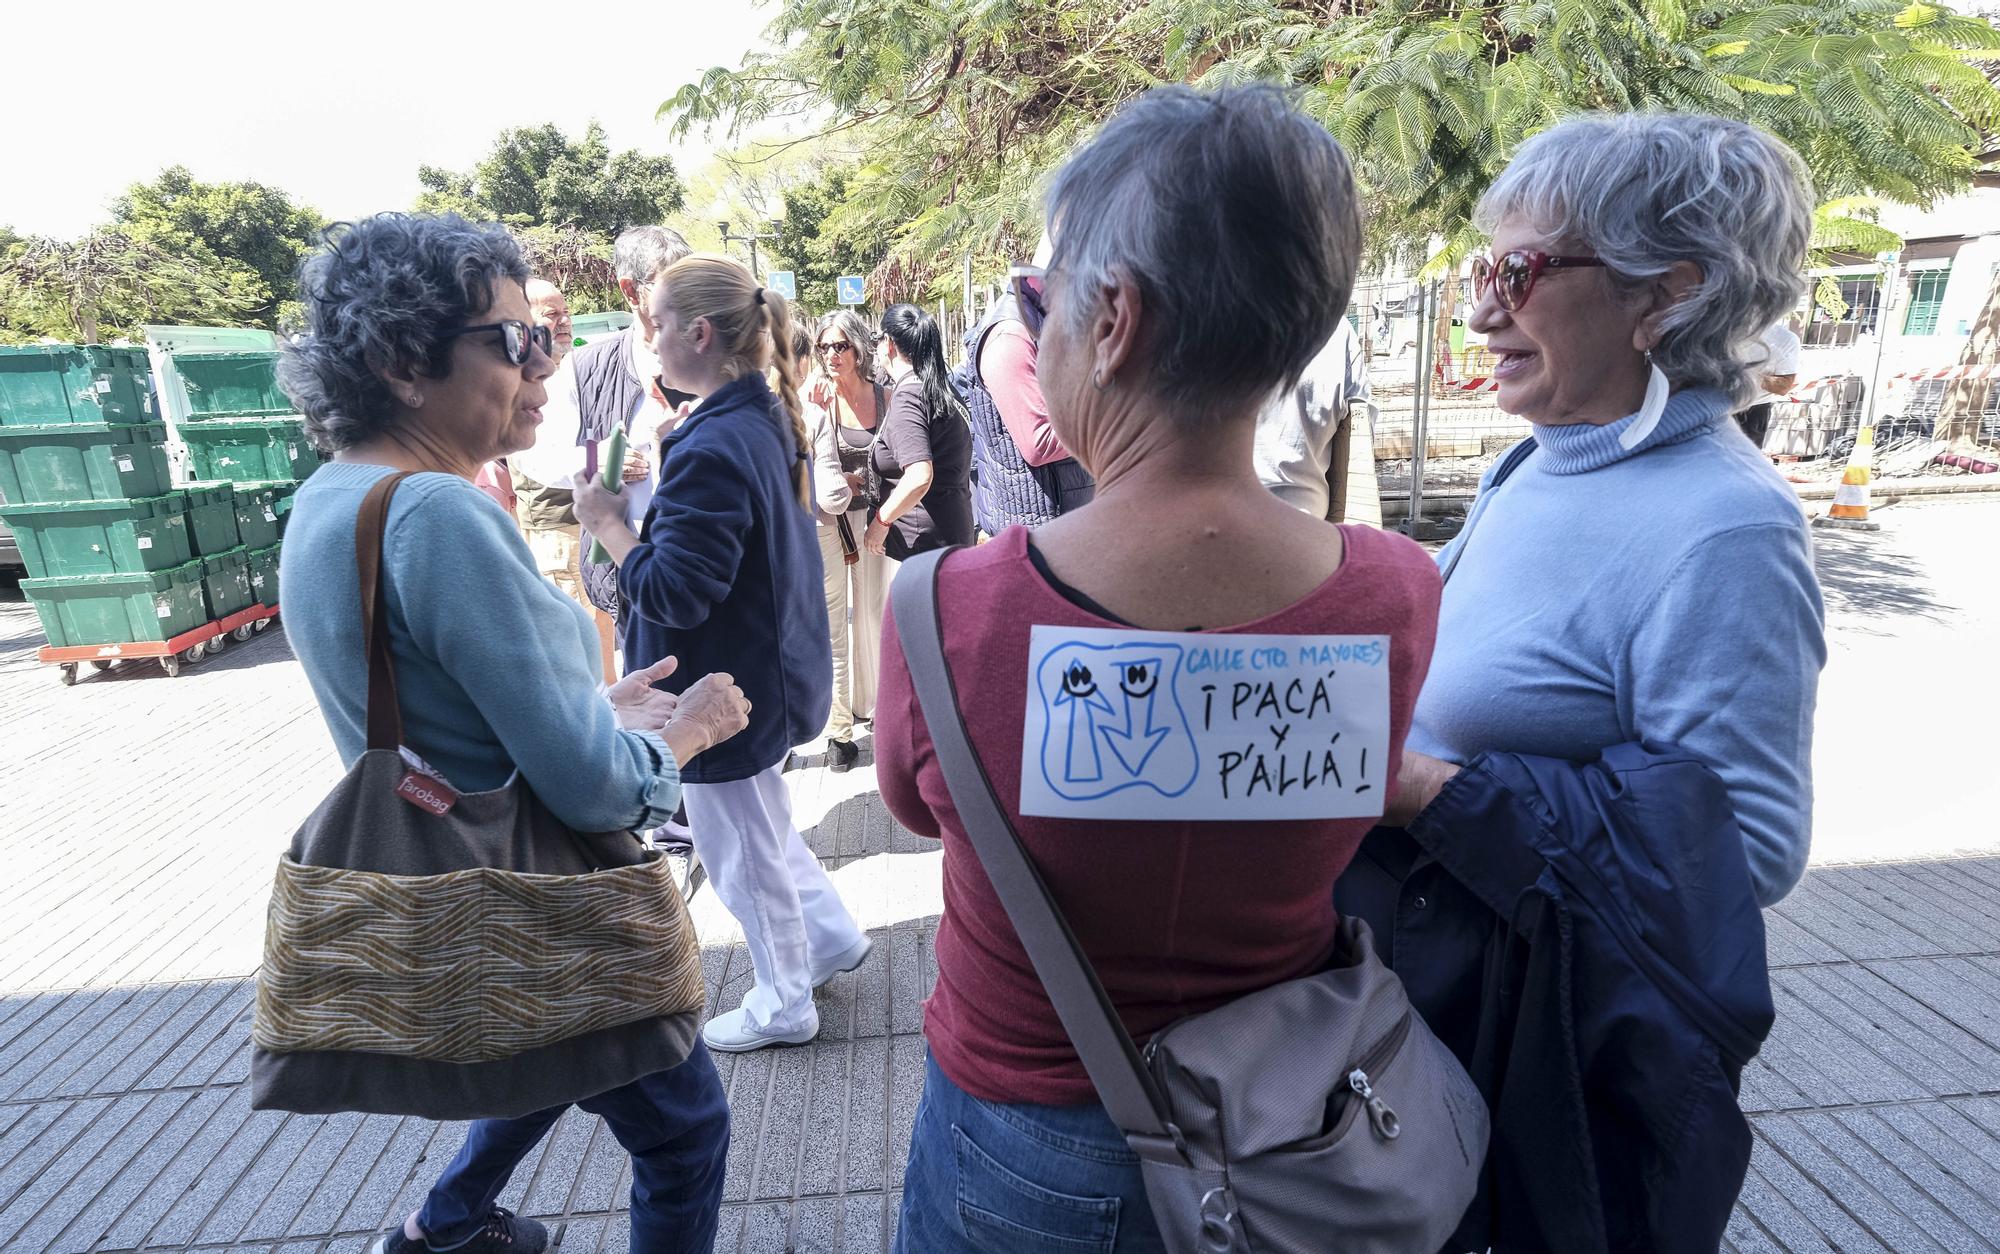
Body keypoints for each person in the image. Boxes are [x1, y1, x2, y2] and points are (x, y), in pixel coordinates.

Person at [875, 85, 1442, 1252]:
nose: (1037, 332)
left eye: (1043, 301)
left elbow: (911, 807)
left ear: (1114, 316)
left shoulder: (948, 609)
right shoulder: (1394, 592)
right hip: (1289, 1128)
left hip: (1021, 1139)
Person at [276, 213, 751, 1254]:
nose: (541, 362)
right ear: (405, 362)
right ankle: (437, 1227)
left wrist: (592, 711)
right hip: (545, 889)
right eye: (512, 339)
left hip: (461, 874)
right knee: (684, 1132)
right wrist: (687, 734)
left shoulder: (329, 502)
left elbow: (444, 716)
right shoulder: (441, 517)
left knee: (550, 1045)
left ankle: (440, 1227)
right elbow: (591, 793)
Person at [1390, 111, 1825, 907]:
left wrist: (1420, 789)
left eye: (1517, 275)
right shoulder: (1537, 460)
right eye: (1483, 278)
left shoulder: (1729, 529)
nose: (1483, 317)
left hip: (1512, 1009)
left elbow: (1749, 851)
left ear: (1664, 297)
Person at [575, 255, 872, 1054]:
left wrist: (607, 520)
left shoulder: (716, 438)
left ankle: (784, 1000)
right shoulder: (758, 415)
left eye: (658, 322)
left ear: (699, 332)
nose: (650, 336)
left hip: (714, 687)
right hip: (756, 673)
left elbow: (675, 594)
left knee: (740, 852)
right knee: (761, 826)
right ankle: (829, 938)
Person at [512, 229, 692, 681]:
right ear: (631, 290)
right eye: (672, 283)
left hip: (711, 563)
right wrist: (599, 461)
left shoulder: (720, 354)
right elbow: (536, 453)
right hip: (630, 570)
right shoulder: (586, 366)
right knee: (652, 691)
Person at [957, 236, 1095, 533]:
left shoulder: (1051, 323)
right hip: (1035, 538)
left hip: (1064, 524)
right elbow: (1039, 442)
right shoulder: (1010, 335)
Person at [805, 310, 892, 771]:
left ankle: (875, 704)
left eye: (840, 346)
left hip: (880, 521)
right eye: (824, 346)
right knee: (834, 622)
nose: (831, 355)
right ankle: (839, 725)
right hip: (833, 524)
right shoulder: (816, 399)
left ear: (859, 349)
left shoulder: (886, 395)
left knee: (875, 613)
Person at [864, 304, 975, 559]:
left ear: (889, 343)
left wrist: (881, 522)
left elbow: (919, 476)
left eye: (877, 339)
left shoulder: (909, 396)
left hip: (924, 546)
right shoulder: (940, 388)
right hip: (951, 532)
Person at [1252, 317, 1373, 520]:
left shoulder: (1215, 310)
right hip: (1311, 521)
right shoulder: (1337, 330)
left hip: (1218, 523)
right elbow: (1357, 451)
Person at [1734, 319, 1802, 450]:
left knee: (1746, 465)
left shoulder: (1784, 339)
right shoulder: (1715, 329)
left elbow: (1783, 387)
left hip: (1753, 410)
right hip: (1711, 405)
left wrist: (1746, 375)